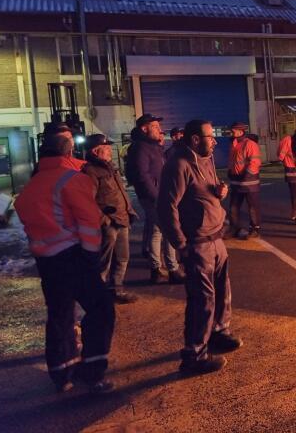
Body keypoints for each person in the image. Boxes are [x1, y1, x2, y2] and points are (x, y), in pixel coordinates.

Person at [14, 123, 115, 394]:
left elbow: (28, 218)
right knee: (102, 309)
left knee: (60, 314)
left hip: (47, 262)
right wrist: (92, 258)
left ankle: (61, 372)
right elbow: (89, 222)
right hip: (74, 256)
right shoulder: (71, 179)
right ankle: (92, 371)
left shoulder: (32, 186)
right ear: (68, 150)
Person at [157, 119, 242, 375]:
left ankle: (218, 332)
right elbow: (166, 207)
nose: (215, 140)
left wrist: (219, 192)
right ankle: (193, 355)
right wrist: (180, 244)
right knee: (202, 300)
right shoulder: (179, 165)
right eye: (209, 136)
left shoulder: (206, 159)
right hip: (198, 244)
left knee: (221, 290)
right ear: (195, 139)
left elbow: (204, 190)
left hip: (216, 238)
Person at [125, 113, 184, 284]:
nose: (160, 130)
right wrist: (157, 197)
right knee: (165, 230)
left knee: (160, 231)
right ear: (144, 129)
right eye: (155, 127)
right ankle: (166, 269)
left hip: (161, 196)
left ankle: (161, 268)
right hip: (155, 198)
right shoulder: (141, 148)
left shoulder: (153, 147)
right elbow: (143, 176)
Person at [82, 134, 139, 305]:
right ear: (95, 151)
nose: (109, 151)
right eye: (106, 148)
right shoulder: (90, 172)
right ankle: (97, 294)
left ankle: (116, 289)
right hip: (108, 224)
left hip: (121, 220)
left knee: (122, 257)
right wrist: (104, 221)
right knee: (104, 261)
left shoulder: (110, 168)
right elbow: (87, 201)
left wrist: (129, 211)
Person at [226, 121, 262, 239]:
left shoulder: (250, 144)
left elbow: (255, 162)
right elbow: (233, 162)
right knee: (233, 207)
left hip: (249, 182)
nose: (231, 132)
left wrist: (245, 176)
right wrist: (230, 172)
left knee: (252, 207)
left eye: (233, 130)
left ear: (241, 131)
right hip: (236, 181)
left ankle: (255, 229)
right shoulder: (234, 144)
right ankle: (234, 228)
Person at [277, 132, 296, 226]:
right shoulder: (288, 140)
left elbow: (280, 155)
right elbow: (281, 155)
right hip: (293, 169)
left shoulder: (289, 139)